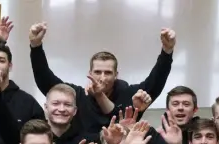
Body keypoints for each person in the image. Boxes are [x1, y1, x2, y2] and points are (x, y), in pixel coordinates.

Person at [28, 24, 176, 130]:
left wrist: (167, 51)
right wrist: (36, 47)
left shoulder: (130, 95)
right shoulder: (77, 95)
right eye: (98, 72)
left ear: (116, 75)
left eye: (108, 73)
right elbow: (46, 81)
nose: (102, 78)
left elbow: (155, 82)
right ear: (90, 73)